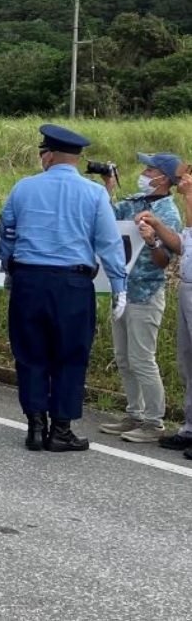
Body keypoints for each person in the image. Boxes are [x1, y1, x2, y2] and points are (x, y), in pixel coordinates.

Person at [0, 124, 127, 452]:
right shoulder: (95, 193)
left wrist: (10, 268)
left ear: (50, 155)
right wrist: (118, 285)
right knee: (70, 355)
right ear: (76, 159)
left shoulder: (23, 188)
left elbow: (7, 233)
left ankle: (35, 427)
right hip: (73, 284)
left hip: (29, 281)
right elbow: (109, 243)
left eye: (43, 153)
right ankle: (62, 429)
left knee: (30, 354)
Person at [95, 152, 179, 443]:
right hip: (122, 290)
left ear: (164, 178)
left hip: (146, 293)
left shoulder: (168, 213)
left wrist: (153, 238)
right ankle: (135, 413)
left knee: (142, 359)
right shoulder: (134, 202)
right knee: (123, 358)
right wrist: (109, 186)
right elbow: (105, 217)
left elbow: (163, 261)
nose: (144, 172)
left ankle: (154, 422)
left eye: (150, 169)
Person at [131, 171, 192, 459]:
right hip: (187, 284)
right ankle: (189, 428)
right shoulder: (148, 201)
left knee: (152, 358)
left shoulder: (172, 206)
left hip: (164, 289)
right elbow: (186, 243)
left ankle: (163, 422)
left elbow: (175, 248)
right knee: (187, 361)